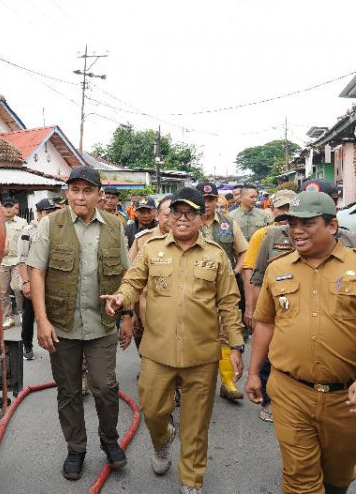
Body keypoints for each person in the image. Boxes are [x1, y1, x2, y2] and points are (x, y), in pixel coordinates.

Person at [245, 191, 356, 494]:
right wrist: (253, 372)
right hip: (289, 391)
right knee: (300, 480)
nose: (296, 231)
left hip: (345, 396)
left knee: (338, 476)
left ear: (333, 225)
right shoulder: (278, 268)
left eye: (307, 223)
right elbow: (266, 324)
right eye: (292, 223)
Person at [102, 187, 244, 494]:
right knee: (153, 412)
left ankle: (192, 480)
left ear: (201, 218)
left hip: (202, 355)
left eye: (189, 213)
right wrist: (120, 298)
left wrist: (236, 345)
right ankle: (162, 439)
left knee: (196, 425)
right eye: (176, 212)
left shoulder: (216, 255)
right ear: (168, 217)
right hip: (157, 352)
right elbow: (132, 283)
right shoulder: (152, 249)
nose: (182, 218)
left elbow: (230, 303)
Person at [27, 166, 131, 480]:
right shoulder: (51, 225)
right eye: (74, 190)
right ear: (67, 193)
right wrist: (42, 322)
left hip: (102, 325)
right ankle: (76, 448)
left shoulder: (115, 226)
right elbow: (36, 272)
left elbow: (126, 276)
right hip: (62, 326)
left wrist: (127, 315)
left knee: (104, 387)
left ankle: (110, 441)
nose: (80, 197)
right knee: (69, 391)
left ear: (100, 194)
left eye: (87, 191)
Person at [240, 189, 296, 422]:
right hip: (272, 307)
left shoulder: (310, 235)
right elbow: (254, 274)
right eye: (280, 208)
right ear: (272, 209)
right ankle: (270, 398)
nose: (284, 213)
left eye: (289, 209)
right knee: (270, 355)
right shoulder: (265, 236)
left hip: (298, 308)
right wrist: (251, 309)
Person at [197, 181, 249, 401]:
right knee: (197, 333)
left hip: (224, 289)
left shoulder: (229, 223)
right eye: (203, 199)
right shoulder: (188, 221)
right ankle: (195, 384)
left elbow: (244, 252)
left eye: (211, 199)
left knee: (227, 333)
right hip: (196, 289)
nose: (207, 204)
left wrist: (234, 272)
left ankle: (227, 383)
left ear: (217, 200)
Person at [126, 195, 172, 350]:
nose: (172, 219)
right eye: (167, 215)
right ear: (158, 216)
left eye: (176, 214)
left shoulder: (192, 241)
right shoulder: (143, 240)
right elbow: (130, 279)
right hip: (148, 314)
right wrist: (131, 312)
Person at [17, 198, 59, 361]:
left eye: (53, 212)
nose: (51, 215)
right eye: (47, 212)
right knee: (30, 315)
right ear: (39, 214)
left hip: (52, 280)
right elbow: (22, 260)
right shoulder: (28, 231)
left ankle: (55, 345)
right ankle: (27, 345)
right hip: (33, 280)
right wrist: (26, 283)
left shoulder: (57, 228)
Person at [0, 196, 27, 328]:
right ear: (1, 208)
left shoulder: (22, 223)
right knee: (2, 291)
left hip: (17, 261)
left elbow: (27, 241)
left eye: (10, 206)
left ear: (14, 207)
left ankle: (21, 312)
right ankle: (8, 317)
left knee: (17, 287)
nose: (8, 209)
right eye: (6, 206)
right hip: (2, 261)